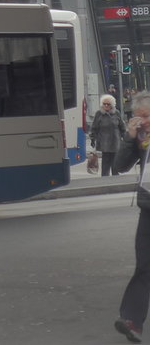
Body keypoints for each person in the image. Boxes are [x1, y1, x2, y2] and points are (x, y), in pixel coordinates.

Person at [113, 90, 150, 341]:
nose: (142, 121)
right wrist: (130, 137)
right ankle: (132, 321)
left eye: (146, 116)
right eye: (138, 117)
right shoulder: (140, 137)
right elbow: (119, 166)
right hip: (149, 208)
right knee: (144, 266)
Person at [94, 94, 125, 177]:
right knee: (105, 164)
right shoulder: (99, 114)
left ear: (112, 105)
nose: (106, 106)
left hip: (115, 141)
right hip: (104, 142)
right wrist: (93, 139)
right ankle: (104, 180)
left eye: (108, 104)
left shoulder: (116, 113)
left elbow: (122, 127)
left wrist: (125, 138)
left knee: (115, 163)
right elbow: (94, 127)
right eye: (104, 104)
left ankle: (115, 180)